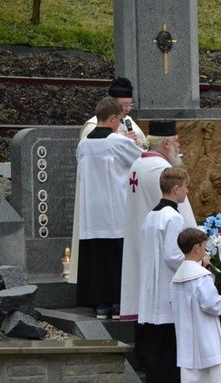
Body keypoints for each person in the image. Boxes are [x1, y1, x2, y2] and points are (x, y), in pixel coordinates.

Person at [120, 120, 197, 322]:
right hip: (162, 245)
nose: (178, 146)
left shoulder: (138, 163)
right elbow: (184, 213)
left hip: (141, 237)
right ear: (166, 143)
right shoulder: (162, 169)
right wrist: (198, 243)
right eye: (176, 141)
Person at [73, 97, 143, 319]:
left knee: (96, 258)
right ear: (112, 119)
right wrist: (137, 146)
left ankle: (100, 305)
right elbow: (140, 162)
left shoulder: (84, 144)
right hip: (115, 209)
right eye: (120, 119)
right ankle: (119, 302)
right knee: (116, 257)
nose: (120, 123)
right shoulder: (117, 142)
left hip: (92, 212)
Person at [139, 167, 190, 383]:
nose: (187, 192)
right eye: (186, 187)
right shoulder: (173, 218)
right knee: (168, 355)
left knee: (155, 355)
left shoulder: (151, 215)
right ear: (176, 189)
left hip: (150, 295)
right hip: (166, 296)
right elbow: (172, 256)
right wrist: (195, 262)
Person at [171, 227, 221, 383]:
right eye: (204, 247)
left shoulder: (178, 276)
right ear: (196, 248)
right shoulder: (201, 276)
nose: (205, 251)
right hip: (205, 333)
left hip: (186, 335)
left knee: (191, 378)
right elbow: (210, 303)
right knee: (211, 377)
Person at [80, 77, 147, 147]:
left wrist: (140, 146)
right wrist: (126, 144)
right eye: (124, 105)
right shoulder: (93, 126)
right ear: (112, 102)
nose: (128, 109)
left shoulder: (128, 121)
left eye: (130, 105)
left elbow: (144, 145)